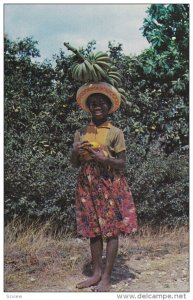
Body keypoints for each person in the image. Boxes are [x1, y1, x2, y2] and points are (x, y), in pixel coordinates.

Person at [70, 82, 138, 292]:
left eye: (101, 102)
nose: (97, 105)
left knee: (111, 231)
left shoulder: (115, 132)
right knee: (93, 230)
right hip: (87, 184)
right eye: (93, 102)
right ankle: (96, 274)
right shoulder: (81, 132)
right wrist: (74, 151)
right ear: (88, 107)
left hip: (109, 184)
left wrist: (104, 158)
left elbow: (122, 163)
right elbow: (74, 163)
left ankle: (107, 278)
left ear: (108, 107)